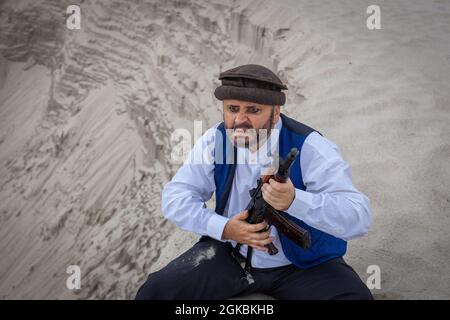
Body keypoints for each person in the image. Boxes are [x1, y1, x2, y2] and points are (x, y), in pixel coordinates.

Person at [135, 64, 373, 300]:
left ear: (276, 112)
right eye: (232, 109)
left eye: (253, 110)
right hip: (231, 256)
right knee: (155, 293)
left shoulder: (310, 146)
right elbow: (175, 198)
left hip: (306, 265)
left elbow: (358, 217)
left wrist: (295, 200)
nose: (240, 120)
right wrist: (225, 228)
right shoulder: (215, 141)